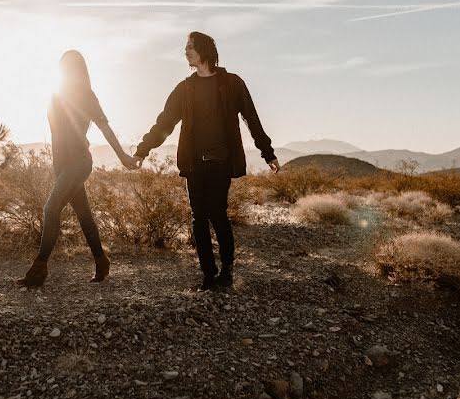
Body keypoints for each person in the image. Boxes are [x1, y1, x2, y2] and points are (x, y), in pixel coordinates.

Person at [134, 32, 279, 291]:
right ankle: (208, 275)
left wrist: (267, 152)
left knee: (217, 214)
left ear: (204, 50)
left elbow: (251, 118)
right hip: (193, 163)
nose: (186, 52)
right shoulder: (185, 88)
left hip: (221, 161)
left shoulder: (232, 83)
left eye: (190, 47)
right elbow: (164, 123)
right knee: (198, 218)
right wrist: (142, 150)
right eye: (185, 48)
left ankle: (227, 271)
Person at [17, 50, 137, 288]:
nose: (65, 71)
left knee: (51, 208)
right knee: (84, 216)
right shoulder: (55, 95)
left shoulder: (86, 95)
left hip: (79, 162)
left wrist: (122, 155)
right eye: (62, 67)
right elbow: (55, 134)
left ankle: (39, 269)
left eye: (69, 67)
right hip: (61, 165)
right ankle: (102, 261)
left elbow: (105, 128)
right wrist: (56, 167)